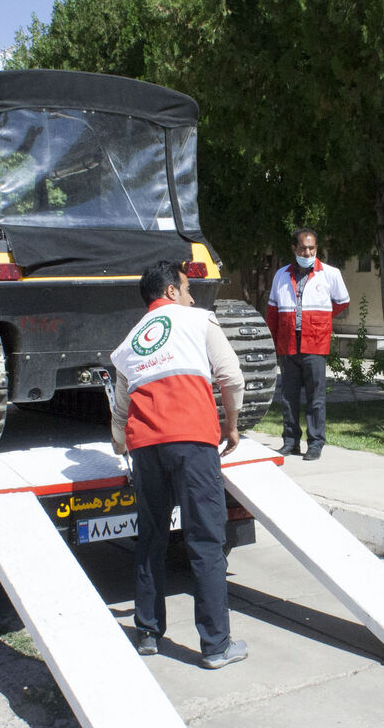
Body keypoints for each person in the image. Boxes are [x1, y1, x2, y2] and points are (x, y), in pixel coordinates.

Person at [110, 260, 248, 669]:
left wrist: (121, 445)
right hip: (192, 441)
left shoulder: (129, 343)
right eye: (187, 288)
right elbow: (232, 377)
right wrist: (234, 427)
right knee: (205, 539)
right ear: (170, 291)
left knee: (151, 538)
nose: (191, 295)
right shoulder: (198, 320)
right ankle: (215, 646)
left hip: (146, 448)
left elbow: (121, 411)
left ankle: (149, 633)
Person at [265, 228, 350, 461]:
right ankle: (290, 441)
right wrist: (272, 341)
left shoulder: (330, 274)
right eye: (303, 248)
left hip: (315, 342)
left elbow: (341, 303)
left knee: (316, 396)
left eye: (312, 248)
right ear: (294, 249)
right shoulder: (281, 275)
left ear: (317, 248)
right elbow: (273, 311)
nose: (307, 252)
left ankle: (315, 443)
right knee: (289, 396)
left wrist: (318, 320)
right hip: (287, 343)